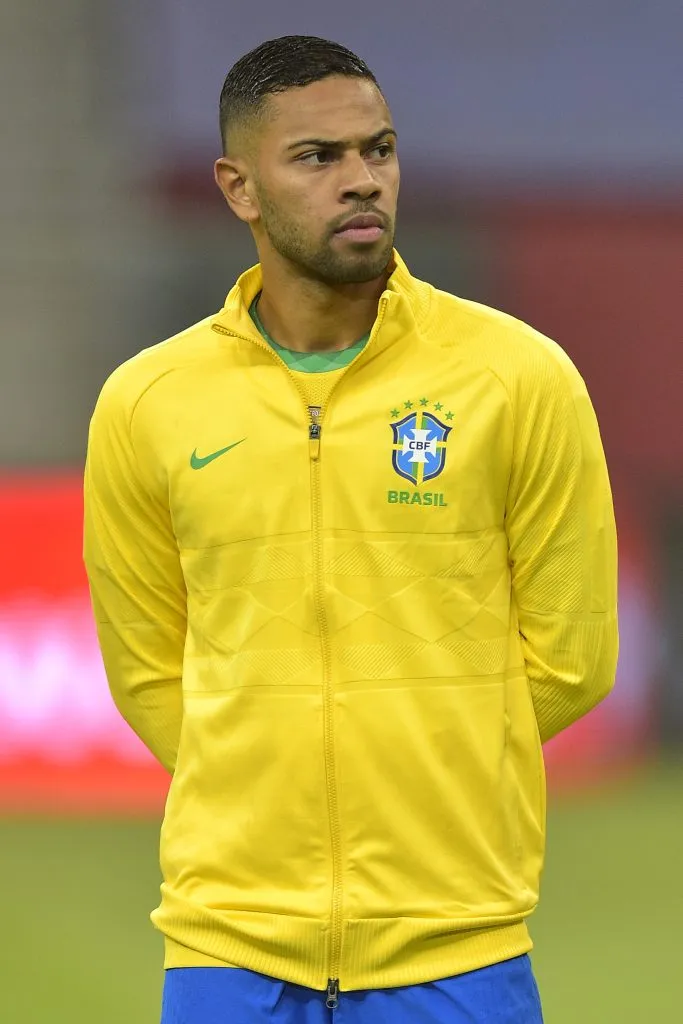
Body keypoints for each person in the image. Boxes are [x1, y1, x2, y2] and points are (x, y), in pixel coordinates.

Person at [83, 34, 618, 1024]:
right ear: (238, 188)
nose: (361, 179)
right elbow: (147, 663)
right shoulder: (146, 401)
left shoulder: (517, 378)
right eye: (317, 157)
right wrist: (279, 765)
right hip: (225, 944)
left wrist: (419, 751)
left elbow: (574, 653)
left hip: (458, 941)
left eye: (377, 149)